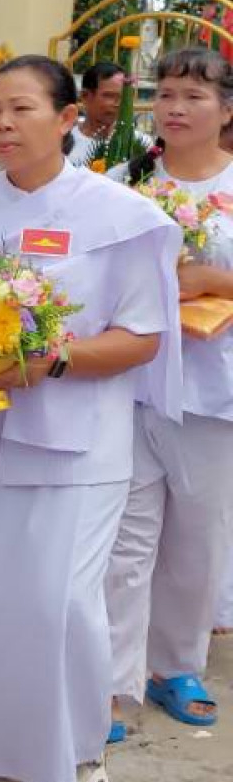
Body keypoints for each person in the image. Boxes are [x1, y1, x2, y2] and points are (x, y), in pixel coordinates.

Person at [0, 55, 179, 782]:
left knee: (61, 606)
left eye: (22, 109)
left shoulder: (121, 215)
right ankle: (11, 770)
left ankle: (84, 758)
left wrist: (52, 359)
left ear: (68, 119)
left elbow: (141, 337)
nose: (1, 124)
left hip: (78, 445)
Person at [105, 46, 233, 732]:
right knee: (126, 539)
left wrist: (216, 283)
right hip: (131, 383)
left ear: (227, 110)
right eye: (167, 93)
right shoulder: (129, 181)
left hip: (214, 392)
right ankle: (112, 682)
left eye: (195, 96)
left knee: (198, 537)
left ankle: (175, 665)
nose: (177, 107)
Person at [68, 61, 125, 163]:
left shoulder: (139, 144)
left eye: (123, 97)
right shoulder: (65, 144)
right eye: (109, 96)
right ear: (85, 96)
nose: (117, 104)